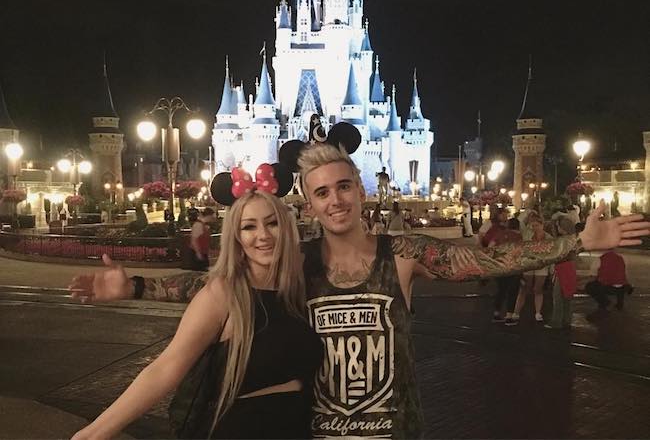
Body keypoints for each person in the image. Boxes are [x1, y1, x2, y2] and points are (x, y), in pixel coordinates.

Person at [70, 144, 650, 439]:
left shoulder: (403, 256)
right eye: (322, 193)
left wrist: (574, 240)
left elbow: (484, 259)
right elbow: (219, 287)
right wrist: (137, 284)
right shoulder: (302, 266)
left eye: (344, 186)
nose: (336, 200)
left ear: (361, 189)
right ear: (311, 203)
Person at [71, 187, 323, 440]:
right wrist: (94, 433)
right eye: (249, 227)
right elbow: (165, 368)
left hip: (296, 429)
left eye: (272, 223)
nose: (263, 235)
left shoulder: (296, 288)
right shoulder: (224, 294)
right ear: (235, 237)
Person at [483, 208, 522, 324]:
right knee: (512, 290)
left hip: (500, 265)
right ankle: (509, 315)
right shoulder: (518, 237)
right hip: (513, 267)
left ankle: (496, 313)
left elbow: (490, 246)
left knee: (501, 290)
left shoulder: (500, 234)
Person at [511, 212, 552, 324]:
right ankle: (517, 311)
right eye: (533, 226)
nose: (535, 228)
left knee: (538, 289)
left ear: (542, 225)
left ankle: (538, 312)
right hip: (529, 264)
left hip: (541, 265)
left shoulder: (548, 237)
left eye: (537, 225)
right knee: (524, 288)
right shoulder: (528, 235)